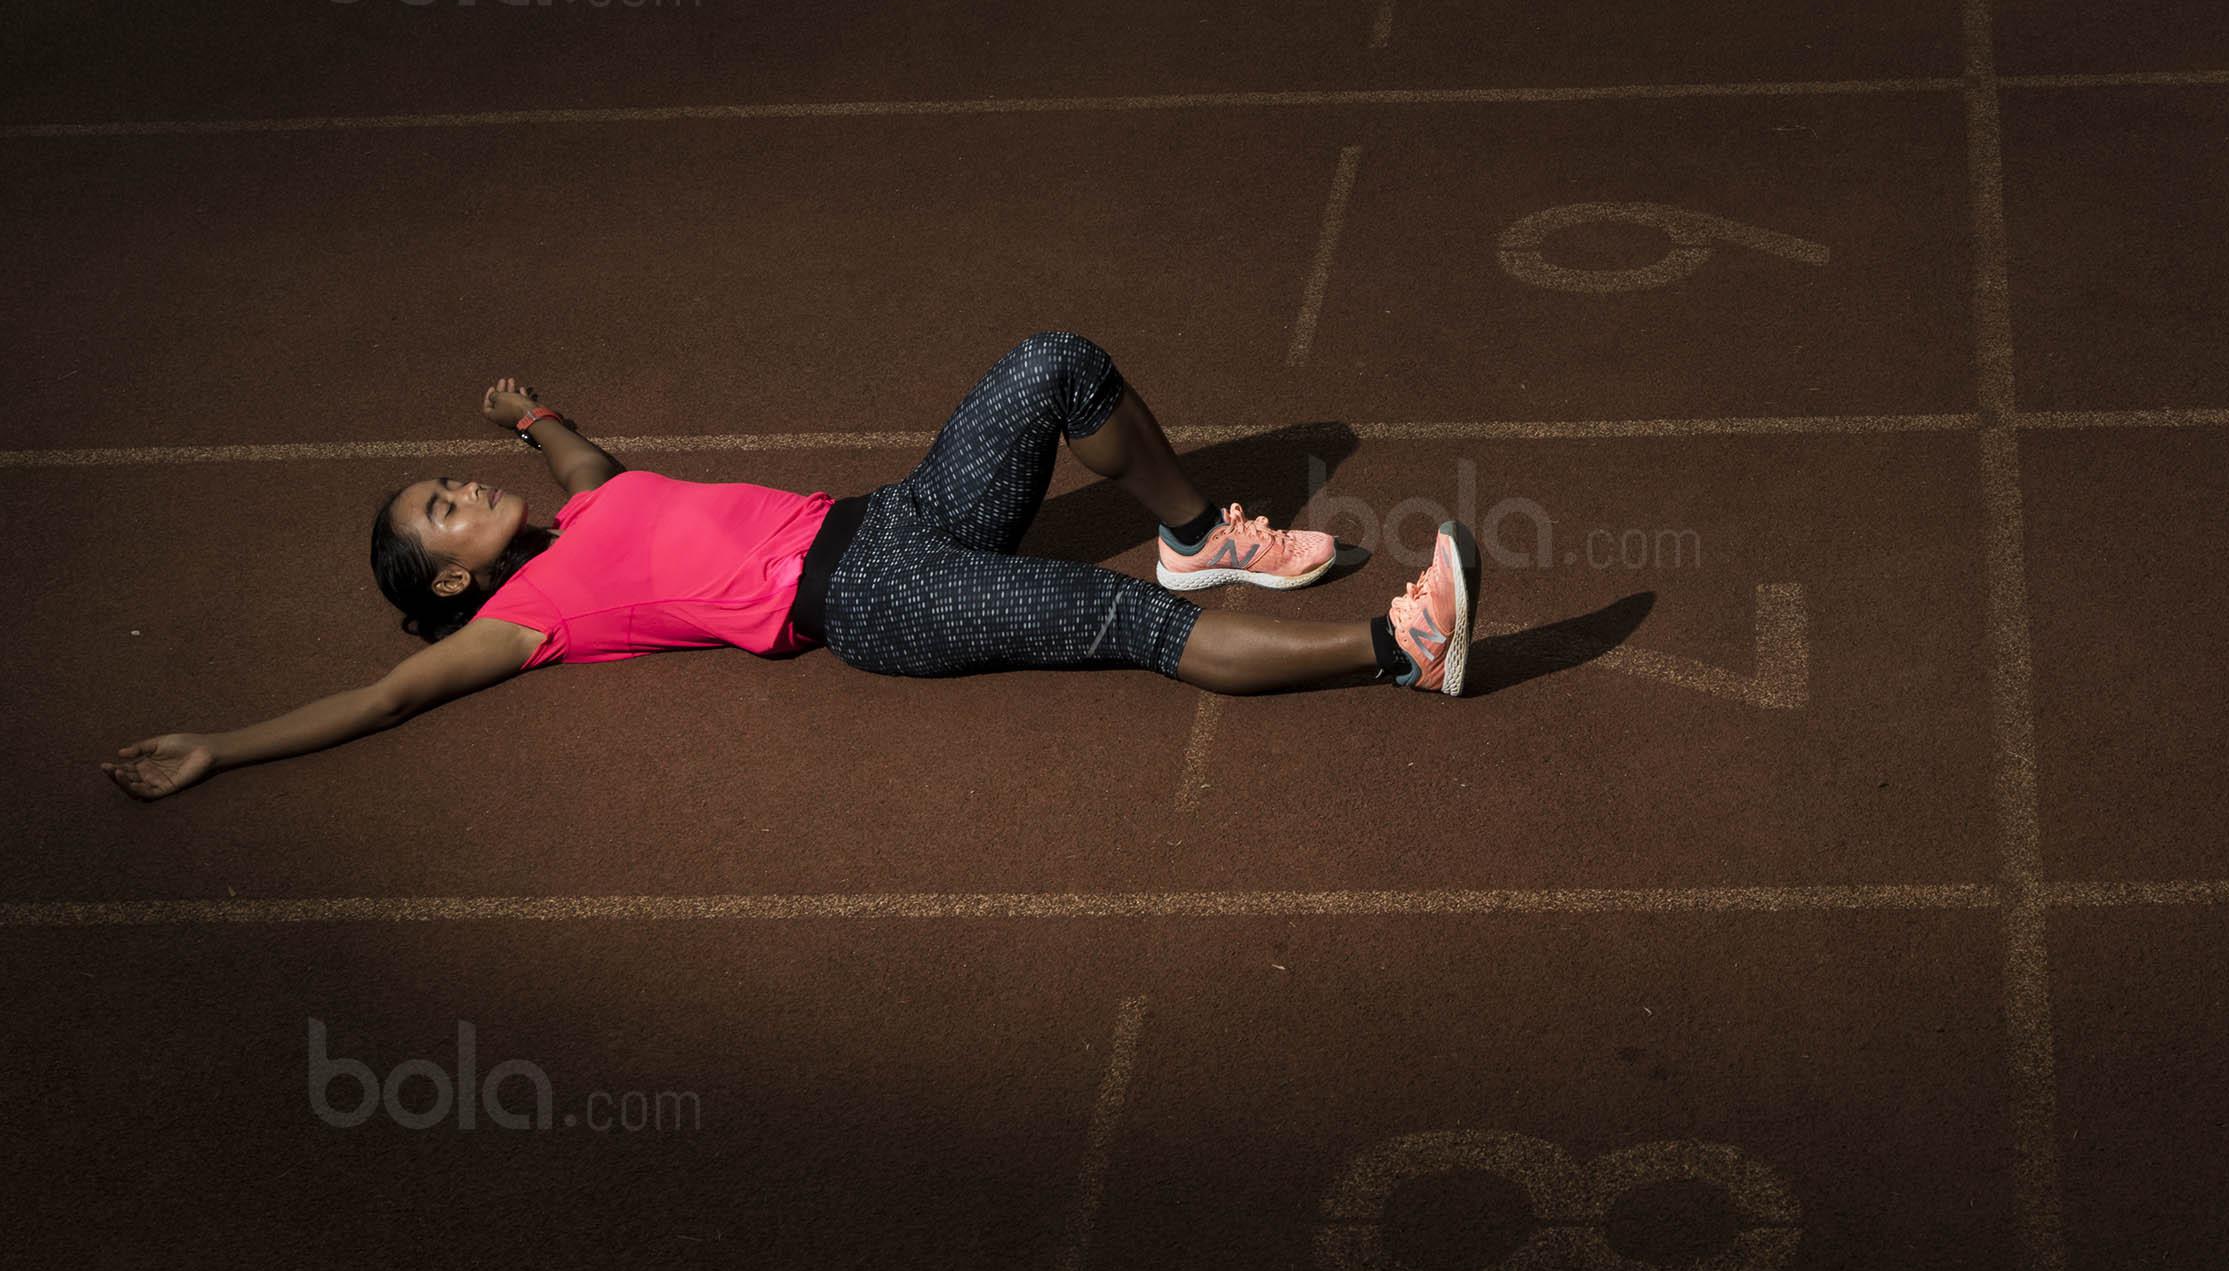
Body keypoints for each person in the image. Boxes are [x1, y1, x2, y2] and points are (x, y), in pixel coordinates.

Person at [103, 331, 1476, 801]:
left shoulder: (586, 506)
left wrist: (526, 418)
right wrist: (220, 748)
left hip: (897, 515)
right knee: (1115, 625)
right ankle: (1399, 654)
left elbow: (579, 457)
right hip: (873, 600)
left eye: (448, 483)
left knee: (1054, 363)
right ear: (452, 583)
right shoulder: (525, 617)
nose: (459, 493)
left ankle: (1197, 537)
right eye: (439, 513)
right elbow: (388, 700)